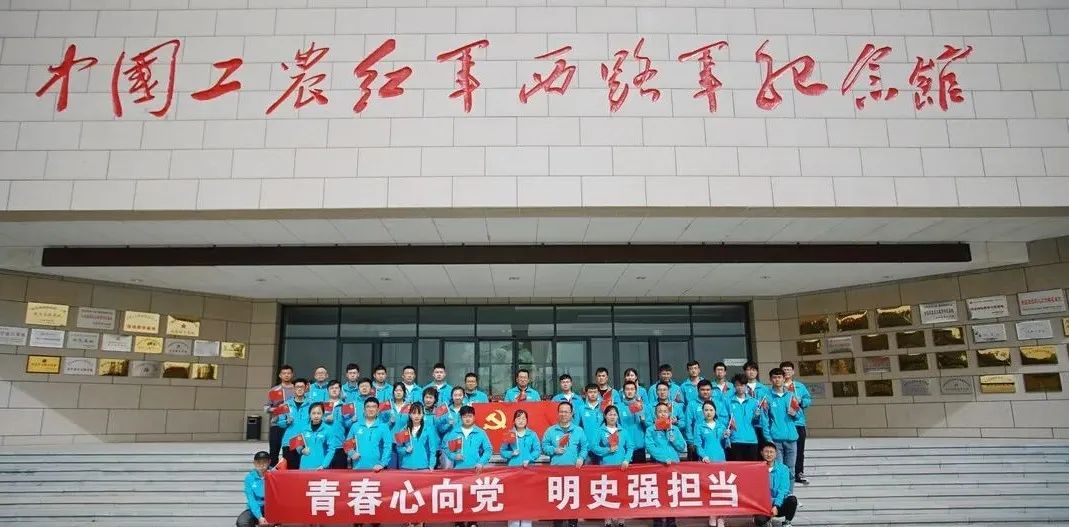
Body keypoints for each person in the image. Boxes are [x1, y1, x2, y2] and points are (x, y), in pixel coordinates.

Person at [542, 402, 588, 527]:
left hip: (573, 471)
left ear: (571, 414)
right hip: (556, 472)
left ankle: (573, 523)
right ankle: (557, 523)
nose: (563, 414)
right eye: (561, 411)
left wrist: (581, 458)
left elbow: (584, 447)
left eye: (566, 412)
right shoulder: (551, 431)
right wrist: (554, 450)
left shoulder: (578, 430)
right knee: (557, 499)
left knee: (573, 498)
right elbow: (544, 446)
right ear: (558, 413)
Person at [645, 402, 687, 527]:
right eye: (660, 411)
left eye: (665, 411)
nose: (663, 414)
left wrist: (674, 439)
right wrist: (663, 458)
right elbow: (650, 447)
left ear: (669, 414)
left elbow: (682, 447)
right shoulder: (650, 429)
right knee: (657, 492)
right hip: (657, 465)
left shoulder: (674, 429)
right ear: (655, 414)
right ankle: (657, 519)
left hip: (673, 465)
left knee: (671, 492)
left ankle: (671, 519)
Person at [592, 405, 633, 527]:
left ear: (618, 416)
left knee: (622, 494)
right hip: (606, 467)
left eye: (615, 414)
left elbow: (630, 447)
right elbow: (594, 447)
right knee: (606, 493)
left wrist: (626, 460)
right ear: (605, 416)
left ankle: (621, 520)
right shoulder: (600, 431)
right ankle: (608, 520)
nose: (612, 417)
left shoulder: (623, 431)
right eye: (610, 414)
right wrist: (607, 450)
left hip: (622, 467)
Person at [762, 368, 800, 491]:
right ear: (770, 379)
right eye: (774, 377)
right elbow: (764, 420)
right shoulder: (767, 397)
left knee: (791, 469)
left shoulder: (791, 396)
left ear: (784, 379)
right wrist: (768, 439)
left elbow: (799, 415)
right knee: (777, 470)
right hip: (776, 440)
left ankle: (789, 495)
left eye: (779, 377)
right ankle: (778, 496)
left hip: (791, 439)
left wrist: (795, 414)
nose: (777, 380)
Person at [781, 361, 812, 485]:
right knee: (784, 450)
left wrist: (801, 401)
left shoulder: (799, 386)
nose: (786, 372)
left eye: (789, 369)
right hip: (784, 422)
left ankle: (799, 473)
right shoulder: (778, 386)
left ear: (793, 372)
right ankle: (785, 474)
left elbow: (808, 400)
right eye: (784, 370)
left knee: (799, 449)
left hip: (798, 422)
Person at [754, 443, 798, 527]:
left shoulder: (783, 469)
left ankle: (787, 522)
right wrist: (769, 504)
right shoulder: (757, 469)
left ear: (775, 453)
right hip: (764, 505)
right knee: (759, 520)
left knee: (792, 499)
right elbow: (757, 491)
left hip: (779, 504)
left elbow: (783, 490)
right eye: (766, 452)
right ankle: (766, 522)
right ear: (762, 453)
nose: (769, 454)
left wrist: (776, 505)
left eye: (771, 452)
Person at [345, 397, 392, 471]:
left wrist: (382, 464)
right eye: (368, 407)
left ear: (378, 410)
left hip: (376, 469)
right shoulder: (355, 426)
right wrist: (351, 453)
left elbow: (388, 447)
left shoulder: (383, 427)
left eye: (374, 407)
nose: (371, 409)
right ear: (364, 410)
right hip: (357, 468)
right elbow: (347, 445)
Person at [684, 380, 725, 461]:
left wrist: (723, 435)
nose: (705, 392)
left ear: (712, 390)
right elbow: (688, 423)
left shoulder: (718, 403)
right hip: (696, 441)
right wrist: (690, 441)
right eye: (702, 390)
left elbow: (723, 420)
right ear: (698, 390)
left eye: (708, 390)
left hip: (715, 441)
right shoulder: (692, 404)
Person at [263, 364, 294, 467]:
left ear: (292, 375)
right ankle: (273, 471)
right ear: (280, 375)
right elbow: (266, 408)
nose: (286, 375)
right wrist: (278, 409)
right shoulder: (274, 390)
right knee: (274, 452)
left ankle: (288, 473)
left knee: (289, 452)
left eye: (288, 373)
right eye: (284, 373)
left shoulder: (296, 389)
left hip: (292, 425)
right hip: (276, 424)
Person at [278, 378, 312, 469]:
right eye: (297, 387)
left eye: (302, 387)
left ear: (306, 388)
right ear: (293, 388)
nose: (299, 389)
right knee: (290, 471)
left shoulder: (311, 404)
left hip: (306, 442)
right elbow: (280, 422)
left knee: (306, 470)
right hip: (289, 442)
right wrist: (286, 422)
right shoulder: (285, 404)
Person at [726, 374, 761, 461]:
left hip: (751, 440)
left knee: (751, 468)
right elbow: (725, 420)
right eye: (737, 385)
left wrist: (757, 416)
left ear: (746, 386)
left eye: (742, 385)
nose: (740, 387)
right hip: (735, 440)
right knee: (737, 468)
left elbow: (757, 423)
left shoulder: (754, 402)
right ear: (734, 386)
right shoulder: (728, 402)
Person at [236, 451, 272, 527]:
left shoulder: (275, 475)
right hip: (256, 507)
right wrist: (259, 517)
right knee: (242, 522)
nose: (261, 465)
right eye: (258, 462)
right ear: (254, 463)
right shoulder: (249, 478)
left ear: (269, 462)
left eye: (264, 462)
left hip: (271, 507)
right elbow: (251, 499)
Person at [397, 404, 438, 471]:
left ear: (423, 415)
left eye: (419, 413)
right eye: (414, 413)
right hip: (406, 466)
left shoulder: (428, 429)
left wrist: (432, 465)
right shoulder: (404, 430)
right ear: (410, 415)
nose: (416, 416)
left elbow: (432, 449)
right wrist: (405, 450)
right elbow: (398, 448)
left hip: (423, 466)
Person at [295, 402, 335, 470]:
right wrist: (302, 450)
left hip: (320, 467)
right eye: (313, 413)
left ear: (323, 414)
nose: (316, 416)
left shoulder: (328, 429)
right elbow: (297, 445)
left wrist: (324, 465)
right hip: (304, 466)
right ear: (309, 414)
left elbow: (331, 449)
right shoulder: (303, 429)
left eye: (318, 413)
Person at [437, 386, 467, 469]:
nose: (457, 397)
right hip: (448, 444)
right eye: (455, 395)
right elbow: (440, 429)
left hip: (464, 444)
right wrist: (448, 425)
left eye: (460, 395)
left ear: (463, 396)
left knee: (463, 470)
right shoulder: (446, 410)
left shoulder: (467, 410)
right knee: (447, 471)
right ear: (452, 396)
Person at [619, 380, 647, 464]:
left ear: (635, 391)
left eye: (632, 389)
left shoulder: (643, 406)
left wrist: (643, 420)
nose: (630, 391)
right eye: (627, 389)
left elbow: (650, 426)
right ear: (623, 392)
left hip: (639, 446)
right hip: (625, 447)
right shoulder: (618, 407)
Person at [743, 361, 771, 445]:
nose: (751, 372)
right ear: (744, 372)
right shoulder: (741, 388)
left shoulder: (764, 389)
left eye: (753, 370)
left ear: (757, 372)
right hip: (746, 424)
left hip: (761, 424)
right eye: (748, 370)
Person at [577, 383, 605, 461]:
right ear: (586, 393)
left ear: (598, 393)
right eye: (590, 392)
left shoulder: (604, 408)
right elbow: (576, 428)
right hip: (586, 448)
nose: (593, 394)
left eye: (595, 392)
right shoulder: (580, 409)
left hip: (602, 447)